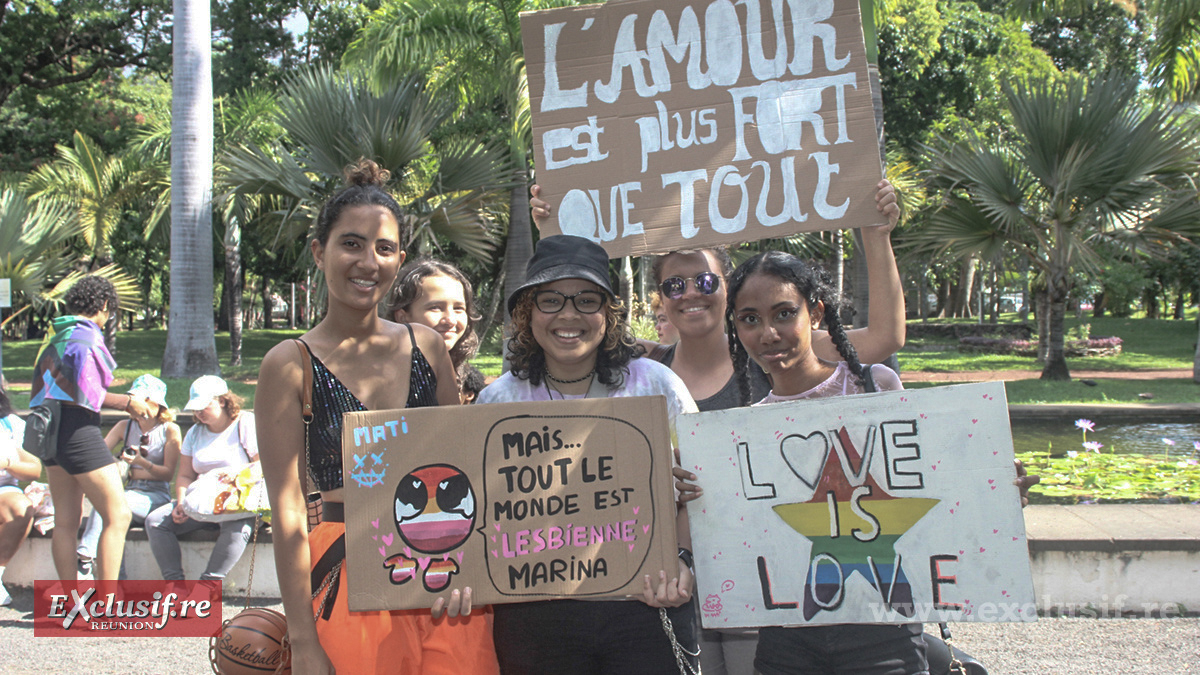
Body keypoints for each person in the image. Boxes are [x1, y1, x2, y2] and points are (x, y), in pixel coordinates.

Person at [531, 181, 905, 675]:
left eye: (706, 282)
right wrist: (554, 234)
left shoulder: (774, 353)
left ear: (728, 291)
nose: (690, 294)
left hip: (767, 584)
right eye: (674, 285)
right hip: (680, 581)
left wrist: (876, 236)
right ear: (658, 299)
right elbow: (569, 324)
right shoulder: (645, 370)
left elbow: (884, 337)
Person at [256, 159, 497, 675]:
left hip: (444, 578)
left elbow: (461, 474)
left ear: (399, 258)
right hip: (345, 577)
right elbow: (288, 510)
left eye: (384, 248)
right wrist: (302, 640)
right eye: (352, 243)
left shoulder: (426, 347)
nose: (368, 261)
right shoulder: (289, 364)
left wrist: (470, 569)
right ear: (320, 251)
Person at [477, 234, 698, 675]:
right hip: (535, 618)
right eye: (551, 300)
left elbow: (702, 487)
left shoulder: (657, 385)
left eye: (586, 300)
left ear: (609, 312)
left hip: (644, 604)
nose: (568, 314)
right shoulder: (497, 402)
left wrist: (684, 561)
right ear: (528, 312)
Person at [31, 275, 153, 581]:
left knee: (66, 522)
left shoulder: (57, 336)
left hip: (49, 435)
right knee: (119, 515)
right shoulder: (85, 337)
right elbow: (86, 393)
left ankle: (71, 604)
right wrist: (128, 402)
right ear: (104, 305)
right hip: (77, 432)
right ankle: (106, 605)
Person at [144, 376, 257, 581]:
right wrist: (181, 502)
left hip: (238, 502)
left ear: (222, 401)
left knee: (239, 525)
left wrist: (234, 475)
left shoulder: (245, 423)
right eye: (195, 408)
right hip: (201, 502)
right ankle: (174, 583)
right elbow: (185, 475)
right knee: (155, 521)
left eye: (203, 407)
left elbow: (262, 465)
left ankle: (208, 585)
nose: (198, 413)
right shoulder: (195, 432)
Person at [76, 374, 181, 578]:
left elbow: (168, 474)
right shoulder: (125, 426)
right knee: (112, 519)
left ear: (154, 402)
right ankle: (118, 583)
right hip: (129, 490)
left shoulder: (170, 430)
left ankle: (84, 557)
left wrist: (142, 463)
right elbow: (98, 453)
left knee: (110, 505)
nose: (133, 407)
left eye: (138, 400)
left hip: (155, 495)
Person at [388, 258, 482, 402]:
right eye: (435, 308)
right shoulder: (382, 374)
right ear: (402, 317)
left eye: (458, 308)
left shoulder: (466, 379)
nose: (450, 320)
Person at [0, 386, 42, 606]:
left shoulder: (9, 425)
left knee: (21, 507)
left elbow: (34, 468)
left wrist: (8, 462)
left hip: (3, 492)